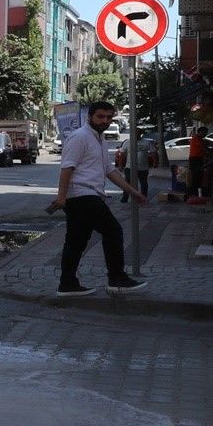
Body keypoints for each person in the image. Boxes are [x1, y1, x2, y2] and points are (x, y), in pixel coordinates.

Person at [50, 101, 147, 296]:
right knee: (113, 231)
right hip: (81, 195)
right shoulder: (80, 137)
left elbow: (109, 171)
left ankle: (67, 284)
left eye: (109, 117)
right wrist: (61, 197)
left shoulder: (99, 139)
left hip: (88, 195)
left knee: (76, 241)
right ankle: (116, 278)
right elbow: (67, 168)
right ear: (90, 117)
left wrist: (133, 191)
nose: (105, 121)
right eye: (100, 116)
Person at [117, 135, 155, 203]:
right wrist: (120, 165)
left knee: (143, 183)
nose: (136, 135)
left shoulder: (146, 142)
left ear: (141, 134)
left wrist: (155, 162)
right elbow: (122, 154)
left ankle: (144, 197)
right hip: (129, 167)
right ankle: (125, 197)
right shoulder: (127, 142)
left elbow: (154, 153)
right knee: (127, 183)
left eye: (138, 133)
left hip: (143, 168)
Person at [189, 126, 210, 199]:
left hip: (199, 159)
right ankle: (193, 193)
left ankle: (198, 192)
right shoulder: (196, 138)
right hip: (195, 160)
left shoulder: (200, 139)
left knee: (199, 176)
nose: (205, 134)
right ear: (200, 132)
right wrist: (207, 151)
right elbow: (203, 148)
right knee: (196, 176)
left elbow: (203, 149)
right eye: (205, 132)